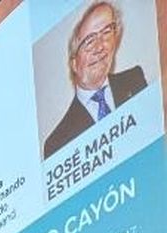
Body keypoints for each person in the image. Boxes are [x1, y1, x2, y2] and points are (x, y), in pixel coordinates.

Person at [43, 2, 147, 158]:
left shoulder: (135, 79)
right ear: (74, 64)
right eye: (89, 41)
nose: (100, 47)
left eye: (106, 32)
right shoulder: (57, 142)